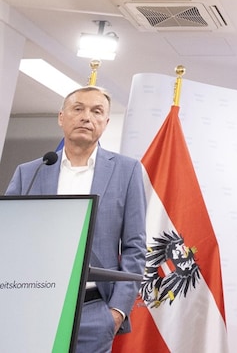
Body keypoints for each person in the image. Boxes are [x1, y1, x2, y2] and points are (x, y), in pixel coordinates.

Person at [5, 86, 147, 353]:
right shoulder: (30, 172)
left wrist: (116, 312)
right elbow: (8, 239)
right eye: (78, 109)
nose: (86, 117)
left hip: (93, 310)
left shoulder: (126, 171)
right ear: (61, 117)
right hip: (32, 307)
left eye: (97, 111)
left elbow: (135, 247)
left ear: (105, 122)